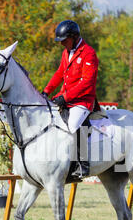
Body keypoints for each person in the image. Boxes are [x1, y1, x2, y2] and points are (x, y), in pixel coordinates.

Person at [42, 20, 99, 180]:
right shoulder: (66, 52)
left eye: (64, 40)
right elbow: (60, 73)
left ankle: (82, 166)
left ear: (74, 37)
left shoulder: (89, 53)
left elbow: (87, 83)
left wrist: (64, 97)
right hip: (65, 99)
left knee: (72, 126)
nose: (61, 44)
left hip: (83, 101)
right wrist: (46, 90)